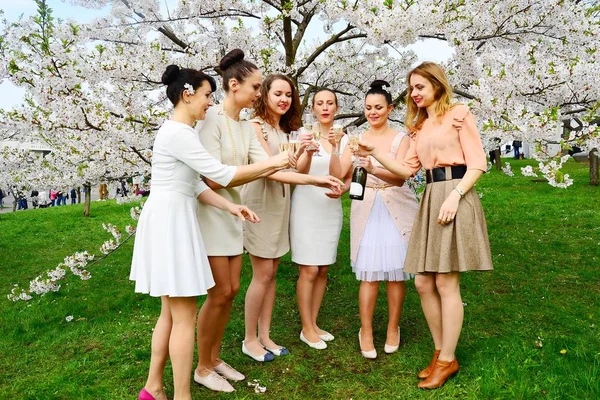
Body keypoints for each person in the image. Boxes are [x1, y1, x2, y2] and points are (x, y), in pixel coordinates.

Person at [130, 64, 289, 400]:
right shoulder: (178, 133)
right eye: (205, 95)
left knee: (170, 314)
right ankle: (182, 394)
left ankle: (154, 387)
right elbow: (220, 172)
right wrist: (275, 162)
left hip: (170, 217)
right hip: (171, 222)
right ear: (187, 94)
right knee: (184, 316)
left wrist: (230, 206)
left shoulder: (179, 132)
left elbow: (196, 185)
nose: (209, 102)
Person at [194, 51, 341, 390]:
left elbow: (273, 166)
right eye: (259, 87)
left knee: (230, 291)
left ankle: (215, 358)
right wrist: (279, 164)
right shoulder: (213, 118)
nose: (261, 95)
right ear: (235, 85)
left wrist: (315, 178)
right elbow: (216, 177)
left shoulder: (244, 125)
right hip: (220, 209)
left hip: (239, 210)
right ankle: (208, 363)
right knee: (222, 292)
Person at [356, 62, 493, 389]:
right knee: (422, 283)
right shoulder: (419, 127)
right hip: (432, 196)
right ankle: (441, 351)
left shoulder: (458, 114)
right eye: (412, 88)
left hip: (455, 196)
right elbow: (405, 171)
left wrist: (456, 196)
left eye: (420, 87)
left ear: (437, 85)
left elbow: (477, 163)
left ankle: (447, 360)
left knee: (446, 283)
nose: (414, 94)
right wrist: (374, 153)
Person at [241, 74, 338, 362]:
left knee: (271, 274)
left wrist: (304, 152)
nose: (284, 99)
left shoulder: (285, 131)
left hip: (282, 204)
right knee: (262, 274)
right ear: (264, 96)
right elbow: (266, 169)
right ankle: (249, 339)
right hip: (261, 202)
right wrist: (314, 181)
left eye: (288, 95)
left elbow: (292, 171)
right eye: (277, 94)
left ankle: (265, 335)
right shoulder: (255, 127)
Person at [330, 80, 418, 359]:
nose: (373, 112)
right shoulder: (355, 139)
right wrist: (335, 147)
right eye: (368, 108)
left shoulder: (401, 139)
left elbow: (401, 176)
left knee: (395, 273)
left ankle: (393, 327)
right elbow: (341, 171)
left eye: (378, 107)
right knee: (368, 274)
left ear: (390, 108)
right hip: (366, 208)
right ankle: (365, 330)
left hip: (396, 207)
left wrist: (374, 168)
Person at [290, 88, 349, 350]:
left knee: (323, 268)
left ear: (336, 108)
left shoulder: (345, 139)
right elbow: (299, 172)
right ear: (313, 108)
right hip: (305, 206)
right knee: (309, 269)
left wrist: (335, 147)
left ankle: (313, 324)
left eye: (330, 103)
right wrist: (309, 152)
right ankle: (305, 327)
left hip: (329, 208)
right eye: (319, 103)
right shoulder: (304, 134)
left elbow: (339, 174)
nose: (325, 107)